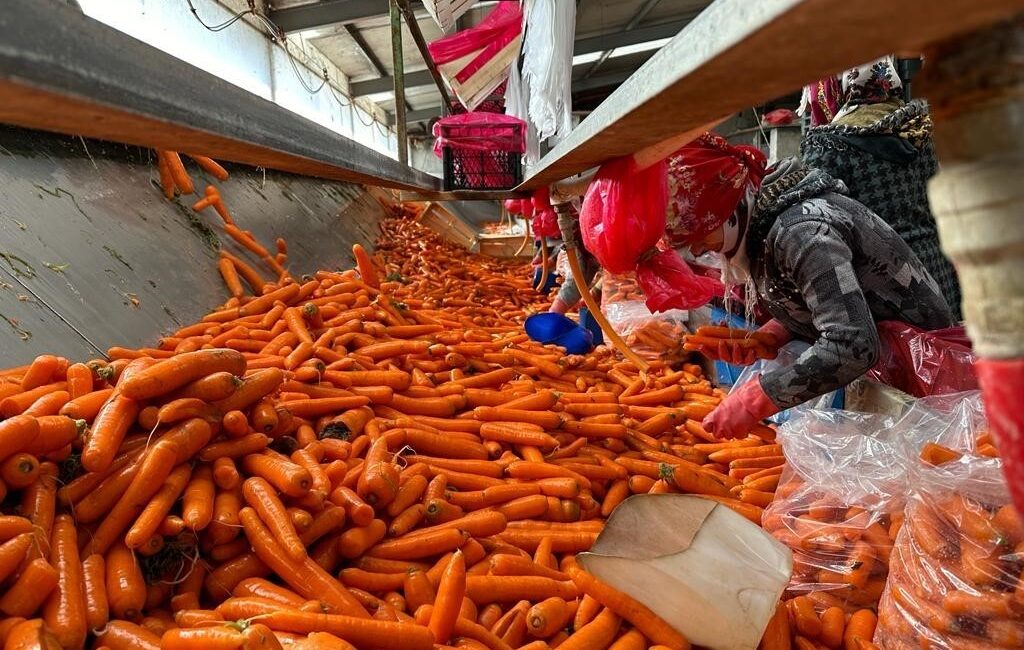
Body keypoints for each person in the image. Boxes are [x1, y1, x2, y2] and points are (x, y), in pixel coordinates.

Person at [666, 133, 954, 439]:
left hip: (925, 376)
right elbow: (830, 296)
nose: (697, 250)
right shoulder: (767, 225)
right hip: (888, 373)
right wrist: (774, 334)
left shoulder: (802, 232)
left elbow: (852, 344)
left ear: (728, 210)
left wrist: (757, 399)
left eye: (700, 235)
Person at [801, 56, 962, 318]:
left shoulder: (827, 143)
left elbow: (817, 227)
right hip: (936, 269)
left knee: (896, 357)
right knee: (938, 353)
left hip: (882, 282)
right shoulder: (922, 130)